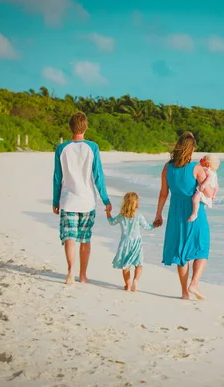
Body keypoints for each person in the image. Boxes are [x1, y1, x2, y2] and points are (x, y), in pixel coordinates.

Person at [52, 111, 111, 285]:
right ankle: (83, 275)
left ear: (70, 127)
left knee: (69, 237)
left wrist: (55, 201)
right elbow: (98, 176)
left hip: (68, 200)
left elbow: (57, 177)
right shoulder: (92, 147)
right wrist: (106, 200)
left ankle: (70, 271)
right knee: (85, 239)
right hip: (87, 201)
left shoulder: (61, 149)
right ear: (86, 127)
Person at [154, 131, 212, 300]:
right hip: (194, 211)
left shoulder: (167, 167)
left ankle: (184, 292)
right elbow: (207, 193)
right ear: (191, 148)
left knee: (181, 252)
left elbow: (163, 194)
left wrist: (158, 214)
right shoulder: (196, 168)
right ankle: (194, 283)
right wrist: (209, 177)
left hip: (175, 212)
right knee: (201, 247)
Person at [106, 192, 156, 292]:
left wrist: (108, 212)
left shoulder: (121, 216)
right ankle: (135, 280)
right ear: (136, 204)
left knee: (126, 265)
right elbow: (147, 227)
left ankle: (128, 285)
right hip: (136, 243)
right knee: (139, 264)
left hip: (125, 243)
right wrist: (154, 225)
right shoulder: (139, 216)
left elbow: (111, 222)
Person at [187, 154, 220, 222]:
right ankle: (195, 213)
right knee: (196, 199)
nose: (200, 161)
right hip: (209, 192)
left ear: (207, 164)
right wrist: (214, 195)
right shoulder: (214, 173)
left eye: (202, 160)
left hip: (204, 190)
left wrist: (203, 185)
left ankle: (194, 213)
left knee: (195, 198)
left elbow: (209, 178)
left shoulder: (206, 170)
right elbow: (217, 186)